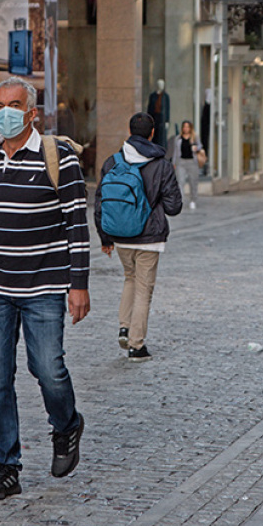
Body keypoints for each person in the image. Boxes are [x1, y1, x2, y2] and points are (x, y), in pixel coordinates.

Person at [0, 77, 90, 500]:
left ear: (32, 113)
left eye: (14, 105)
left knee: (47, 369)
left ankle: (66, 425)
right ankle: (5, 467)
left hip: (44, 287)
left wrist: (78, 285)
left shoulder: (59, 158)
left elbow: (76, 225)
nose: (4, 112)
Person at [95, 113, 183, 362]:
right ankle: (136, 345)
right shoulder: (162, 164)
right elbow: (174, 207)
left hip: (120, 236)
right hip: (149, 238)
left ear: (130, 131)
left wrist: (105, 238)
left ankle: (125, 327)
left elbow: (100, 202)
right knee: (144, 289)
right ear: (152, 133)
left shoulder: (112, 161)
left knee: (129, 279)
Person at [167, 120, 205, 210]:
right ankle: (181, 200)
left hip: (192, 162)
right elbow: (175, 152)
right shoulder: (178, 138)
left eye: (188, 127)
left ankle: (193, 200)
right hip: (181, 162)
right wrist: (174, 163)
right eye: (184, 127)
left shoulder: (195, 137)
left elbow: (200, 146)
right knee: (180, 182)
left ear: (190, 128)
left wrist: (196, 148)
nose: (186, 129)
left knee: (193, 182)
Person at [147, 79, 170, 148]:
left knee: (162, 136)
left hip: (162, 118)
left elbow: (167, 108)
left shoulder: (165, 96)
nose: (161, 86)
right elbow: (150, 108)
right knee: (154, 135)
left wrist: (167, 120)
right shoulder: (153, 96)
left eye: (162, 84)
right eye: (160, 84)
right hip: (154, 117)